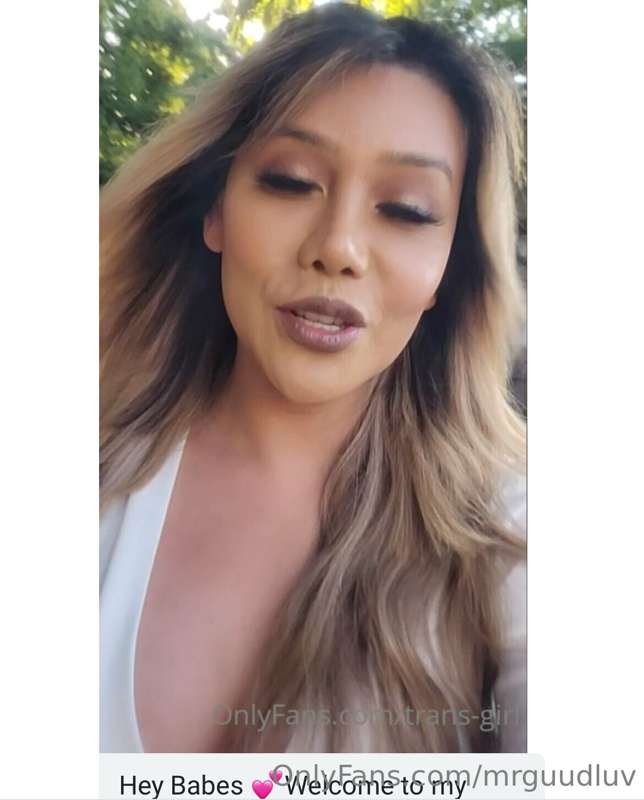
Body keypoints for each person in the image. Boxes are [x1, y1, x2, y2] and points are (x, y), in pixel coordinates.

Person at [99, 2, 526, 754]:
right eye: (291, 182)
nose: (339, 248)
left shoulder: (511, 533)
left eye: (406, 210)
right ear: (216, 213)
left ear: (448, 273)